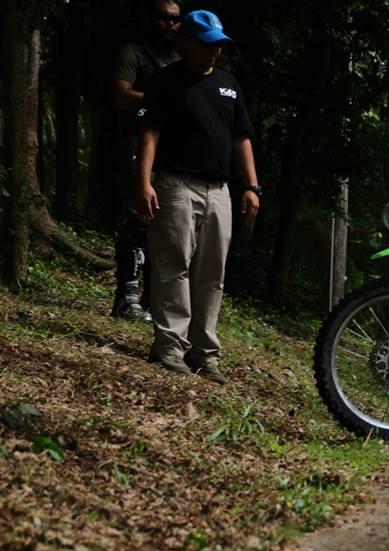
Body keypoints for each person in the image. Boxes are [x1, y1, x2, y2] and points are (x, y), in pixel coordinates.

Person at [136, 10, 261, 383]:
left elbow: (241, 137)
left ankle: (204, 352)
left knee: (212, 272)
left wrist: (252, 186)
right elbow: (150, 134)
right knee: (174, 265)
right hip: (176, 186)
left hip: (219, 190)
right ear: (187, 42)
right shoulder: (166, 82)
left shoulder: (228, 85)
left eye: (219, 45)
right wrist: (144, 182)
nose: (214, 52)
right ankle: (169, 346)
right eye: (207, 45)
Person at [110, 0, 182, 320]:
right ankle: (127, 296)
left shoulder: (180, 58)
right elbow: (120, 95)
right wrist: (160, 101)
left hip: (170, 149)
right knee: (139, 216)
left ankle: (153, 298)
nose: (171, 24)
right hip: (135, 142)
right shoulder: (133, 53)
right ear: (152, 18)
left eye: (176, 19)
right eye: (165, 18)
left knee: (164, 223)